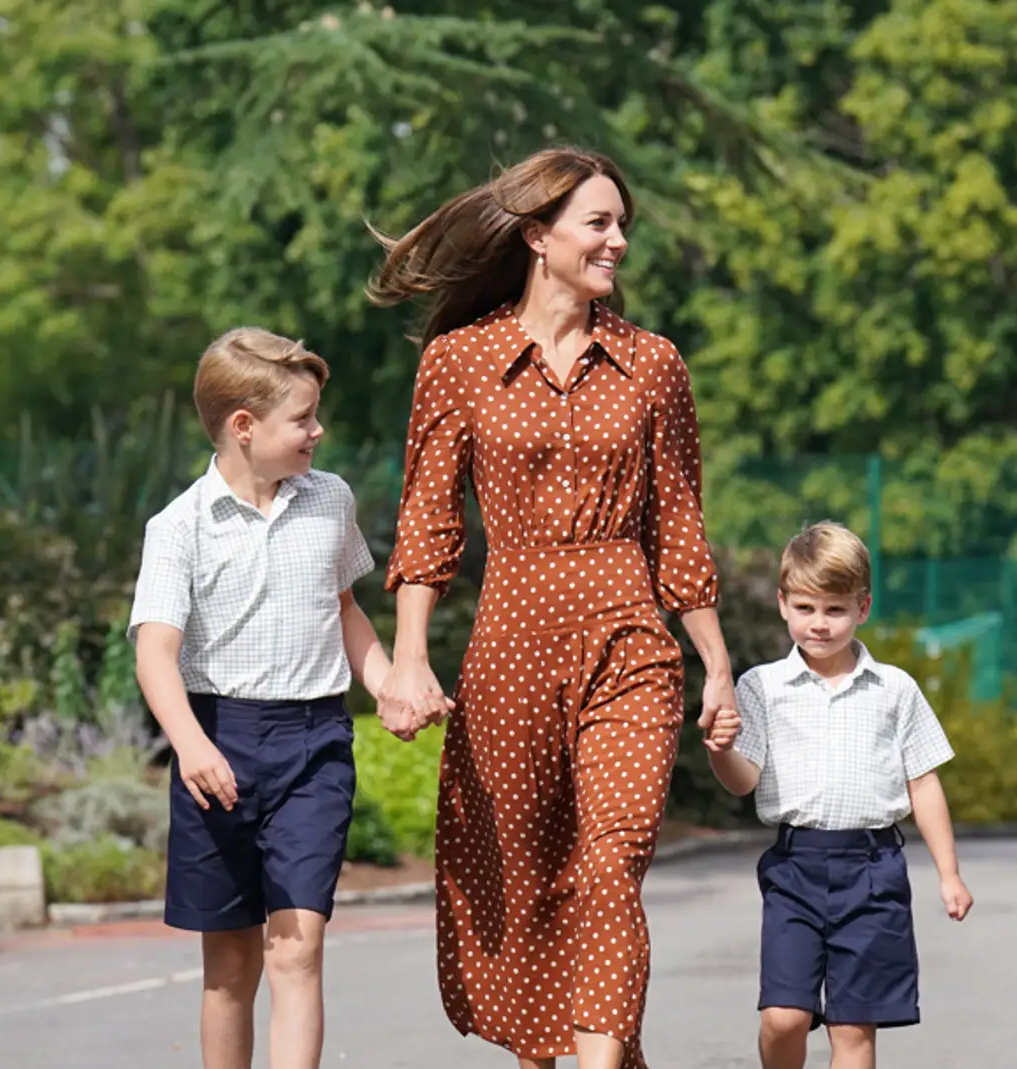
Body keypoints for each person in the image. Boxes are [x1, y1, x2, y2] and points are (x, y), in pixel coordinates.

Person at [365, 146, 739, 1069]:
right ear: (538, 236)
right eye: (599, 224)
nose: (618, 242)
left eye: (622, 226)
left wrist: (718, 663)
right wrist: (409, 656)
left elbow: (681, 524)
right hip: (510, 644)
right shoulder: (459, 362)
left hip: (630, 641)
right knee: (527, 883)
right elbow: (426, 523)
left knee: (611, 867)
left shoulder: (655, 365)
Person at [129, 326, 399, 1069]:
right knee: (230, 971)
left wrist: (386, 683)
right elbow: (155, 650)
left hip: (315, 744)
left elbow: (343, 608)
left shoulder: (329, 499)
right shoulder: (179, 527)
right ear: (244, 427)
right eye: (303, 418)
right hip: (216, 740)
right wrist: (190, 744)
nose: (319, 430)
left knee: (298, 947)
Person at [705, 520, 972, 1069]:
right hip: (795, 869)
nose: (819, 624)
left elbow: (923, 780)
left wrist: (948, 873)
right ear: (782, 604)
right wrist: (717, 748)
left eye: (835, 610)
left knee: (853, 1028)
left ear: (863, 608)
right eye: (805, 608)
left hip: (874, 871)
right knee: (784, 1017)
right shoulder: (761, 687)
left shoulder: (895, 689)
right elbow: (743, 779)